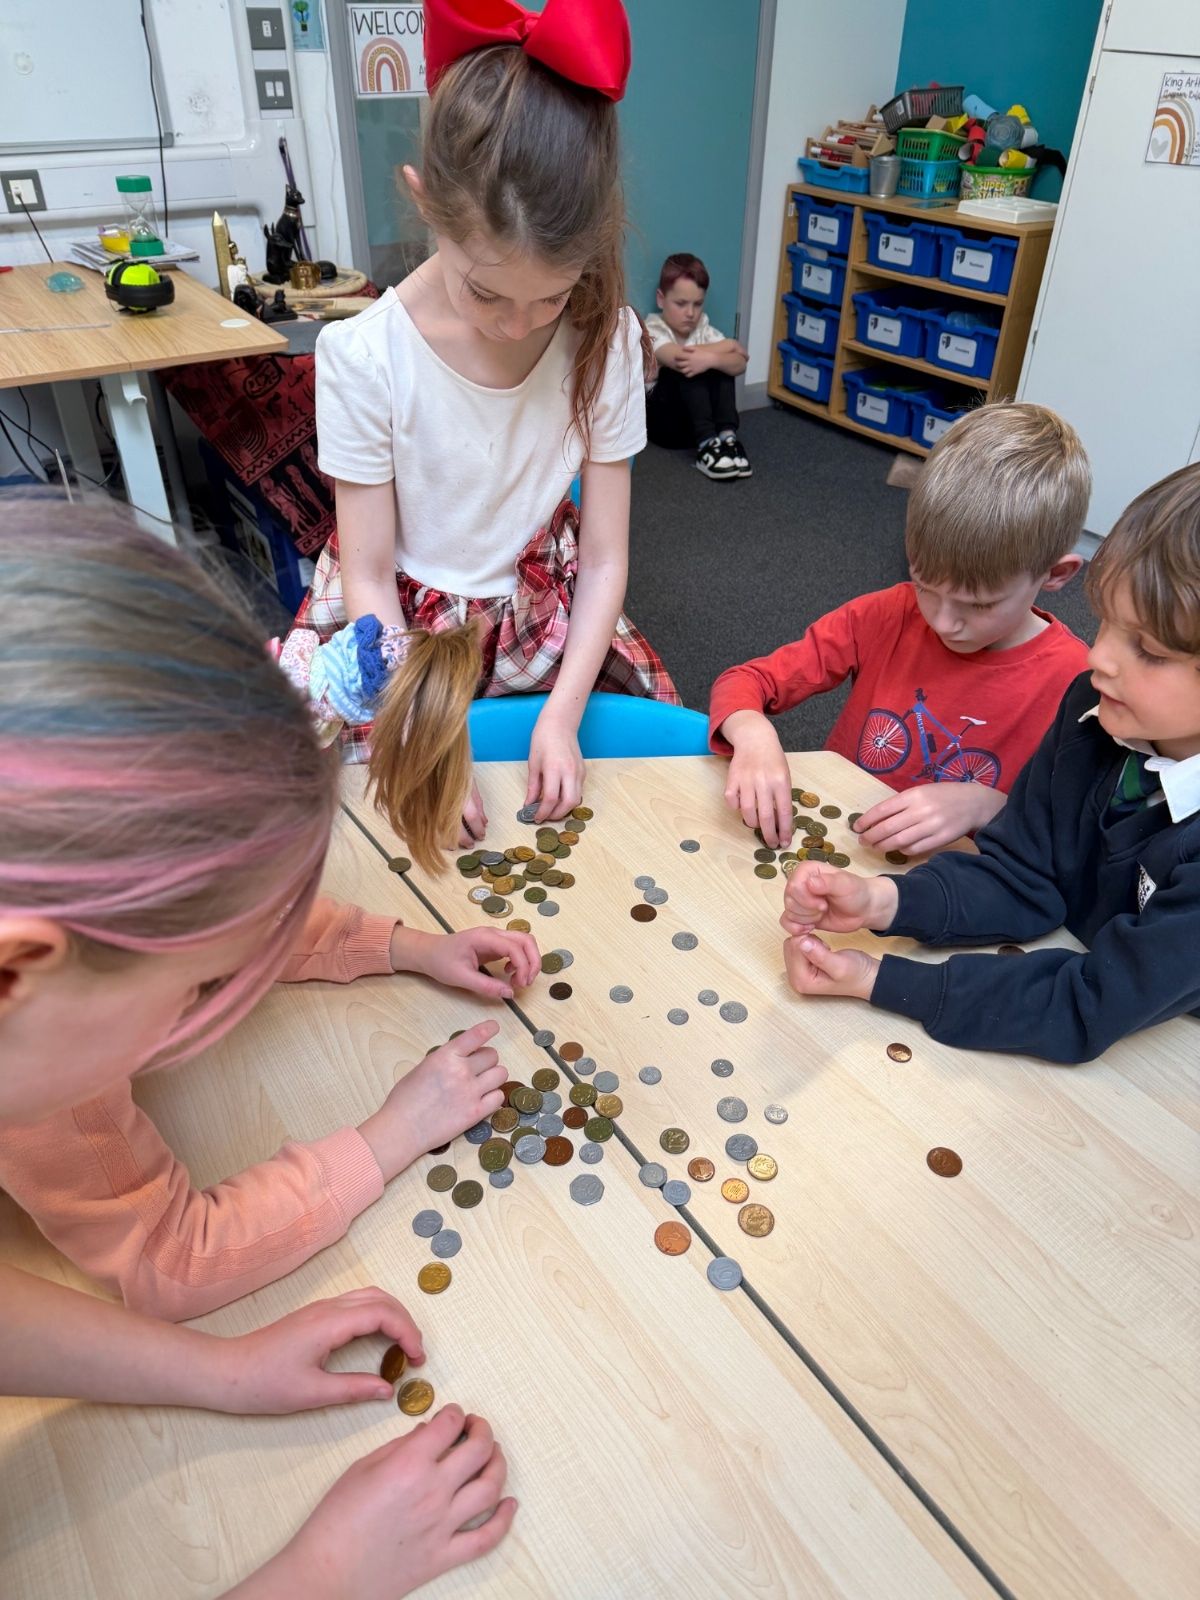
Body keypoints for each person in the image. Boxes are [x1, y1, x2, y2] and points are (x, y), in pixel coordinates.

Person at [0, 506, 515, 1593]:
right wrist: (322, 1574)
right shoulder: (46, 1085)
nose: (218, 1002)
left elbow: (216, 906)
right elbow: (167, 1258)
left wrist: (221, 1372)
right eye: (195, 987)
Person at [288, 0, 678, 868]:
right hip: (399, 631)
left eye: (551, 296)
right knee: (359, 844)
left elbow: (604, 560)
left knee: (632, 814)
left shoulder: (608, 338)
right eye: (487, 292)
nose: (517, 325)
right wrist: (430, 737)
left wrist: (563, 716)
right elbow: (367, 575)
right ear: (424, 202)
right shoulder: (363, 355)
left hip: (546, 616)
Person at [779, 463, 1200, 1065]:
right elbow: (1024, 877)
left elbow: (1089, 1002)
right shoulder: (1096, 707)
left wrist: (880, 979)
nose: (1099, 657)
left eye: (1150, 651)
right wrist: (884, 902)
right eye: (1106, 621)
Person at [709, 402, 1091, 856]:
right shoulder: (888, 614)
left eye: (979, 604)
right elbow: (746, 680)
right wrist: (753, 732)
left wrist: (987, 805)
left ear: (1056, 574)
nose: (942, 621)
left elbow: (1073, 831)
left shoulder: (1080, 681)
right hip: (846, 850)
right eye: (925, 586)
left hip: (957, 880)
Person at [644, 252, 751, 480]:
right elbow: (681, 357)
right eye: (681, 304)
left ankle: (727, 438)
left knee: (716, 363)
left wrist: (714, 359)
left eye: (698, 304)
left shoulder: (703, 328)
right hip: (665, 427)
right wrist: (729, 344)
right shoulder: (651, 329)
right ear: (661, 299)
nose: (690, 313)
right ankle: (706, 446)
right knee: (688, 365)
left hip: (697, 422)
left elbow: (740, 363)